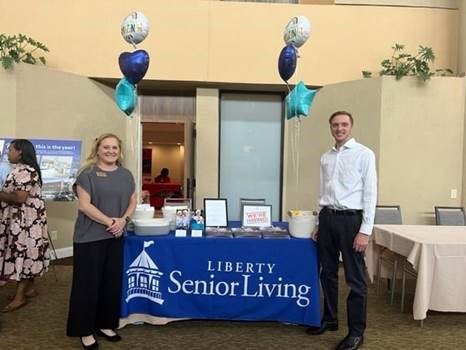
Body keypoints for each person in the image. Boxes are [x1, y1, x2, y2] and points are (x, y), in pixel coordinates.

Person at [306, 111, 377, 350]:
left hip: (351, 221)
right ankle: (330, 319)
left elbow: (370, 194)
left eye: (344, 124)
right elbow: (323, 191)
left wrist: (365, 230)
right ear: (330, 128)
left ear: (351, 126)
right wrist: (318, 222)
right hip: (327, 218)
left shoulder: (364, 154)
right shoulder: (326, 157)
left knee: (355, 279)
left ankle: (356, 332)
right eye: (335, 125)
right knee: (327, 273)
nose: (340, 128)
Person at [66, 133, 136, 350]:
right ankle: (85, 330)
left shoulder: (126, 174)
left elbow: (133, 201)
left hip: (115, 236)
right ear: (97, 149)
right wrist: (111, 222)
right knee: (87, 286)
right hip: (90, 237)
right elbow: (84, 206)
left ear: (119, 151)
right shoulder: (87, 174)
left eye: (115, 148)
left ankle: (105, 324)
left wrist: (123, 221)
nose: (111, 151)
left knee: (110, 283)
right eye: (106, 147)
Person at [0, 139, 50, 312]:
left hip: (24, 223)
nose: (8, 153)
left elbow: (20, 198)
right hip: (26, 221)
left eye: (10, 149)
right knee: (30, 253)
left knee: (23, 254)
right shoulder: (25, 170)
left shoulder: (25, 171)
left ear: (20, 151)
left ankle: (20, 297)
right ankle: (28, 289)